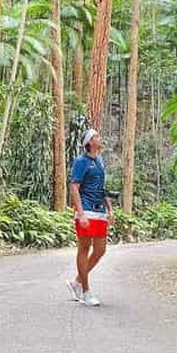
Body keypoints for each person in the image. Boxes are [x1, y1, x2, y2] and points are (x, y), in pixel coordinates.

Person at [66, 128, 114, 306]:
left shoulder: (100, 161)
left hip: (99, 210)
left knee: (100, 250)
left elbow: (102, 188)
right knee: (84, 249)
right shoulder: (81, 161)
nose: (100, 138)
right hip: (86, 210)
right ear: (89, 142)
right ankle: (86, 292)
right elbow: (74, 188)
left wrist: (110, 209)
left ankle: (76, 282)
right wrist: (81, 213)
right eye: (96, 137)